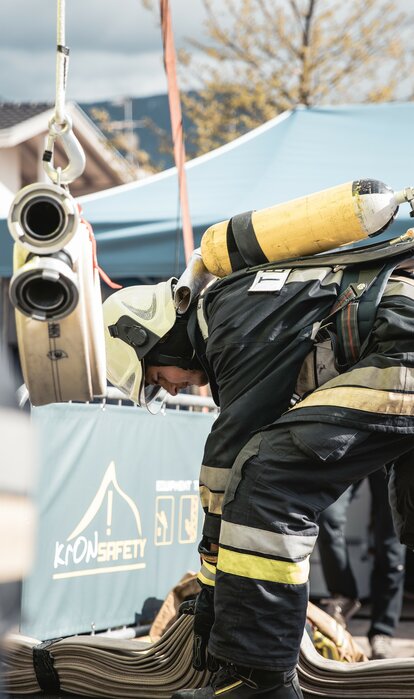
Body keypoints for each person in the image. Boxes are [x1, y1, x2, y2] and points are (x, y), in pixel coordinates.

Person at [103, 241, 414, 699]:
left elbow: (228, 461)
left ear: (156, 336)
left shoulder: (229, 324)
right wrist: (215, 585)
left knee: (266, 482)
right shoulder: (232, 312)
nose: (167, 388)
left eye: (154, 377)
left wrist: (211, 591)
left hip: (399, 349)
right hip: (400, 343)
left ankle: (261, 681)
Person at [317, 470, 406, 659]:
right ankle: (344, 593)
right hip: (355, 445)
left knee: (391, 548)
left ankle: (382, 630)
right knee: (328, 516)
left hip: (393, 449)